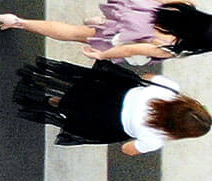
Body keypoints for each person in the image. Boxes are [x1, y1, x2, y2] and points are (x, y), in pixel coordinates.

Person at [0, 0, 212, 65]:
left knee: (99, 26)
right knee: (75, 34)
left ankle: (99, 21)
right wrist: (103, 55)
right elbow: (131, 50)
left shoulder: (185, 6)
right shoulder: (171, 47)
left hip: (130, 15)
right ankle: (19, 22)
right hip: (122, 36)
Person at [12, 58, 211, 156]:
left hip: (112, 92)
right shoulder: (156, 138)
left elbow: (146, 78)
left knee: (76, 87)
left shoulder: (171, 90)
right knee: (71, 112)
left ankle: (36, 78)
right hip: (108, 121)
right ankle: (40, 99)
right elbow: (128, 149)